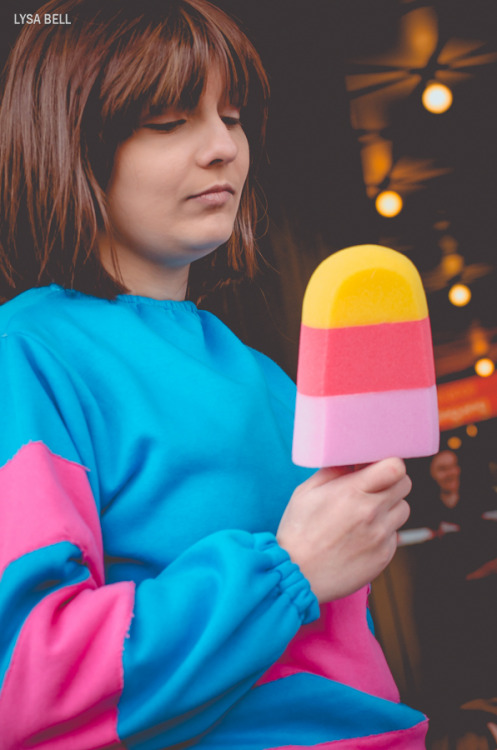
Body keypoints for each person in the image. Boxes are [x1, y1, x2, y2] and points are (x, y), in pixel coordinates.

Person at [0, 0, 427, 747]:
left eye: (230, 117)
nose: (222, 148)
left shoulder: (269, 377)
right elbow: (28, 683)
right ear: (71, 138)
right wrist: (287, 570)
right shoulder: (29, 353)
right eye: (168, 122)